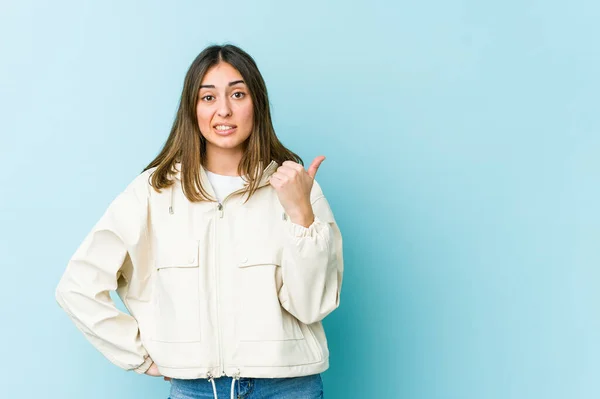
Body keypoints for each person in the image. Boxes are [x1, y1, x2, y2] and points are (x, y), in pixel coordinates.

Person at [55, 44, 344, 399]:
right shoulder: (152, 192)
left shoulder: (297, 187)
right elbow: (77, 286)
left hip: (289, 388)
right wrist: (141, 357)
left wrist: (301, 214)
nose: (224, 110)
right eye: (208, 97)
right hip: (196, 391)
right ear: (192, 109)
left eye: (238, 94)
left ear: (258, 104)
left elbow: (313, 307)